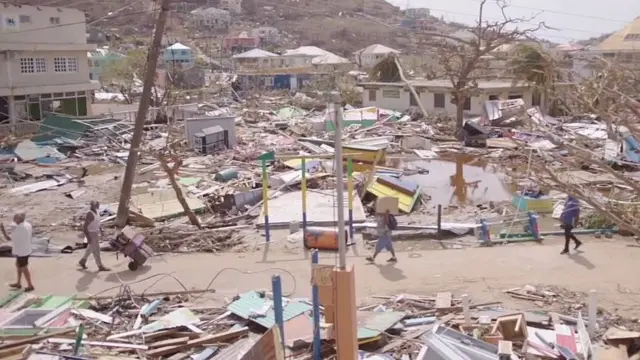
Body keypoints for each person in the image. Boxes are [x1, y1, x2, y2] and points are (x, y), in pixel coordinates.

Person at [1, 212, 35, 291]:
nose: (13, 219)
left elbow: (8, 238)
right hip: (26, 249)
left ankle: (30, 285)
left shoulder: (19, 229)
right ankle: (18, 282)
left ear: (19, 219)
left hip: (22, 251)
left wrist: (2, 229)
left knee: (24, 268)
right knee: (18, 265)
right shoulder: (27, 224)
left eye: (15, 218)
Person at [79, 201, 110, 271]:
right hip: (91, 233)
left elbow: (98, 222)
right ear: (92, 205)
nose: (98, 206)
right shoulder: (90, 214)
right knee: (96, 250)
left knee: (90, 248)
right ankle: (100, 265)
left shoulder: (96, 211)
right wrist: (88, 237)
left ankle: (82, 261)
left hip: (96, 232)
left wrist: (101, 231)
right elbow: (85, 227)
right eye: (97, 204)